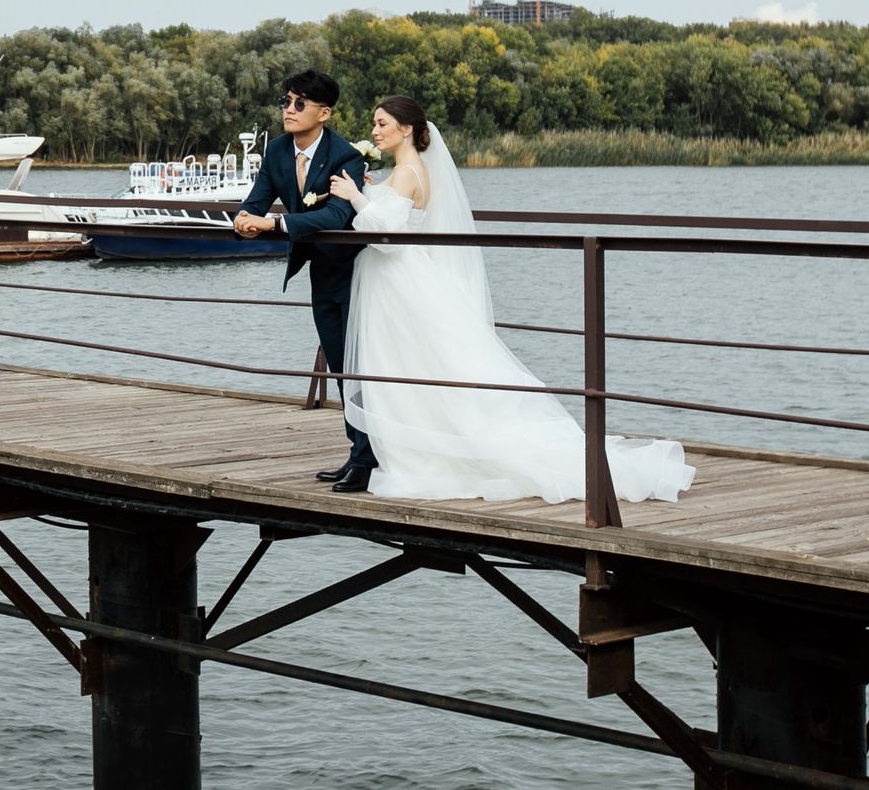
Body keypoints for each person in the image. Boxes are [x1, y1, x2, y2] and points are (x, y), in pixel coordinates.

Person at [325, 96, 696, 504]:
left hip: (398, 279)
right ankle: (411, 448)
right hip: (402, 281)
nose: (375, 131)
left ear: (406, 128)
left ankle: (430, 455)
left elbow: (387, 239)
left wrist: (355, 198)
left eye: (381, 124)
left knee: (412, 366)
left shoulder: (409, 171)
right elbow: (397, 215)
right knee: (413, 366)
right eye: (375, 125)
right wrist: (372, 194)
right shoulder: (408, 171)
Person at [231, 70, 379, 492]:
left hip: (356, 271)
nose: (289, 110)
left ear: (324, 112)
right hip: (320, 272)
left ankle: (367, 462)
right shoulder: (276, 151)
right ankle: (358, 454)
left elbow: (336, 216)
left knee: (360, 366)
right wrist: (242, 220)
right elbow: (256, 199)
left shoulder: (345, 156)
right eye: (286, 101)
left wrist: (273, 223)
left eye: (299, 103)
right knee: (339, 365)